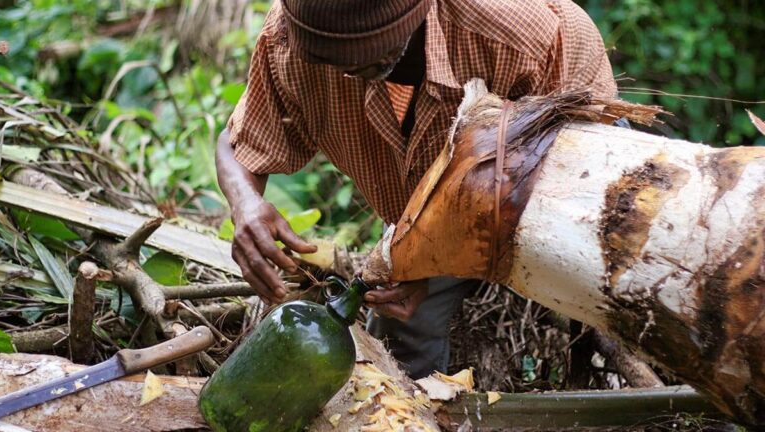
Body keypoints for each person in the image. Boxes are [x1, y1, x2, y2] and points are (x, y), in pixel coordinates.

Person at [216, 0, 617, 379]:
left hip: (568, 181)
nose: (341, 73)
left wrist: (439, 251)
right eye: (325, 60)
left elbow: (574, 178)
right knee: (398, 339)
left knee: (605, 305)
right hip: (424, 210)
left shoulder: (521, 36)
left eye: (363, 58)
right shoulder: (290, 37)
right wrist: (246, 204)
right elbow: (238, 145)